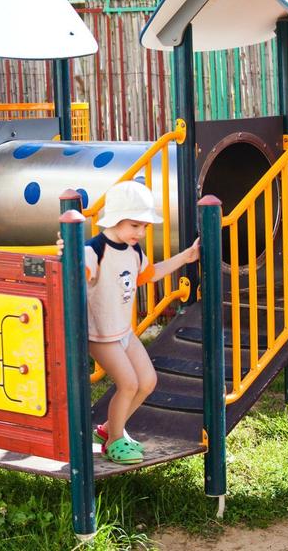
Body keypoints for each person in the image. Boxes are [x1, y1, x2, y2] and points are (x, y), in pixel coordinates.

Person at [58, 180, 200, 464]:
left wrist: (186, 256)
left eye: (145, 226)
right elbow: (72, 273)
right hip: (100, 334)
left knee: (147, 381)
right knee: (128, 384)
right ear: (115, 220)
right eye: (135, 225)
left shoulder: (133, 251)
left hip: (123, 331)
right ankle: (114, 441)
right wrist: (66, 255)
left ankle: (110, 429)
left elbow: (150, 274)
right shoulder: (94, 250)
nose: (141, 232)